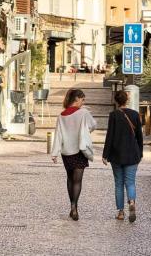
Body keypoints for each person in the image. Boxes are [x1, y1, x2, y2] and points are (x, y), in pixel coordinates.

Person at [51, 88, 97, 220]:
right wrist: (85, 131)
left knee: (70, 179)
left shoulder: (62, 115)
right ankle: (74, 206)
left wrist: (54, 153)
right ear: (76, 99)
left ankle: (72, 207)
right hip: (80, 150)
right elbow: (93, 125)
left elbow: (58, 135)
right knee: (78, 181)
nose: (83, 102)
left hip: (66, 152)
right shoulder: (83, 113)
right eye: (82, 99)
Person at [102, 89, 143, 222]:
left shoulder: (113, 115)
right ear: (127, 100)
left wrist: (105, 154)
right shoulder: (135, 115)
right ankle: (131, 202)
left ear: (116, 101)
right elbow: (139, 137)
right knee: (130, 182)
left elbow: (110, 136)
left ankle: (120, 212)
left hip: (116, 155)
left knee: (118, 184)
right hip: (132, 154)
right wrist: (140, 153)